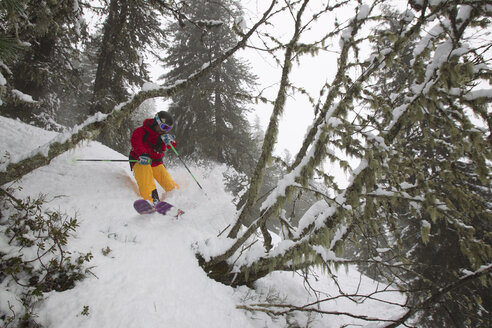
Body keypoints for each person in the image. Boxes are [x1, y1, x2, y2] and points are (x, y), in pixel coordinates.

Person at [129, 111, 179, 205]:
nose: (164, 130)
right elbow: (136, 143)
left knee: (169, 183)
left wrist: (171, 140)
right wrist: (143, 154)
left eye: (168, 129)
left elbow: (171, 145)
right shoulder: (140, 131)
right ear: (156, 122)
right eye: (164, 127)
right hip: (140, 161)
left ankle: (178, 198)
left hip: (156, 163)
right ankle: (152, 200)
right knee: (146, 175)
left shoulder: (162, 136)